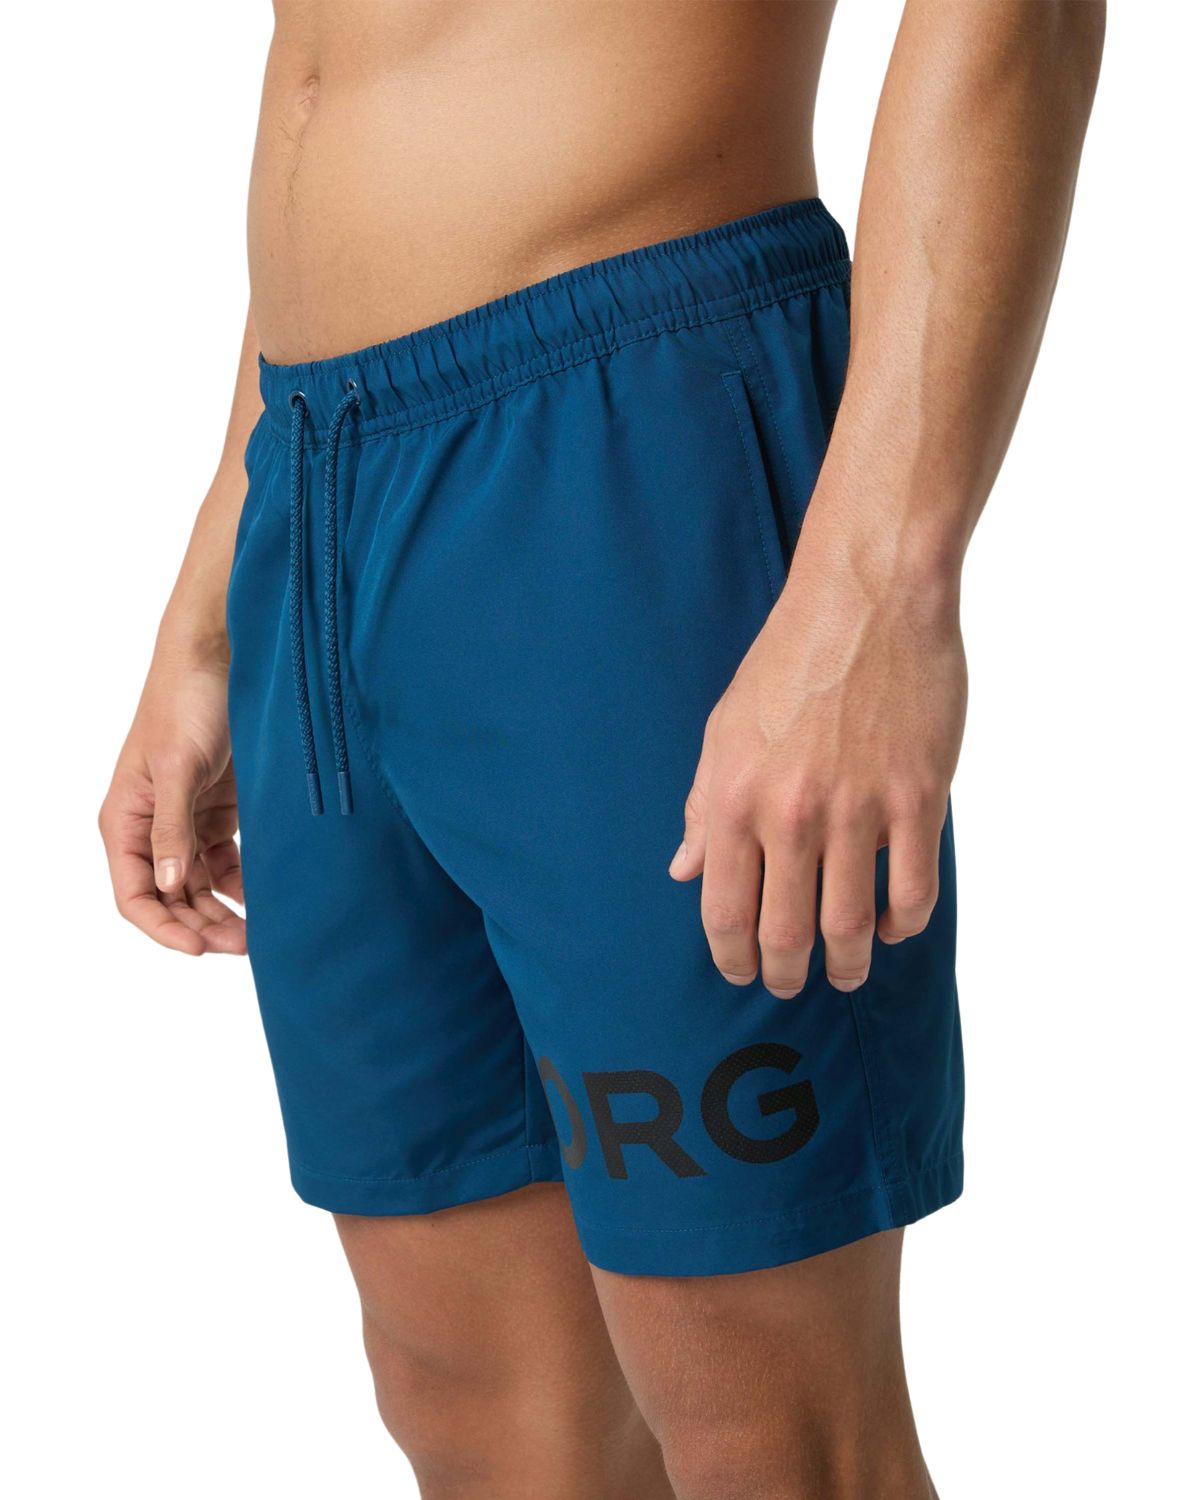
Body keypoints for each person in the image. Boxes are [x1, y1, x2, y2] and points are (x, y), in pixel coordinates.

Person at [98, 2, 1103, 1495]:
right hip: (312, 478)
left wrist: (878, 591)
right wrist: (209, 607)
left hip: (633, 435)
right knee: (475, 1406)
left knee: (765, 1420)